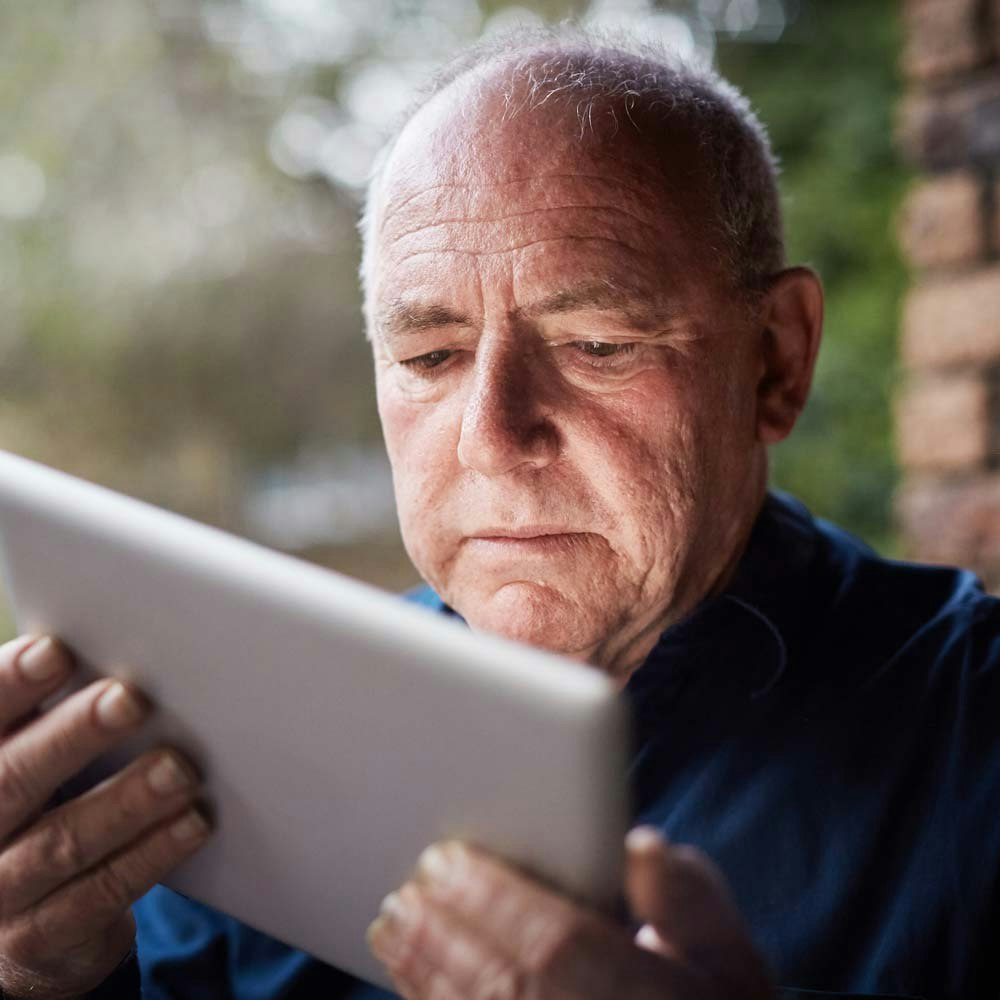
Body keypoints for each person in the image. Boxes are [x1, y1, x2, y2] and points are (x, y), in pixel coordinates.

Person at [0, 26, 997, 1000]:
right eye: (431, 357)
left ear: (776, 360)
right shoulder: (269, 722)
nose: (489, 432)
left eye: (598, 343)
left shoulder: (970, 736)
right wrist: (49, 971)